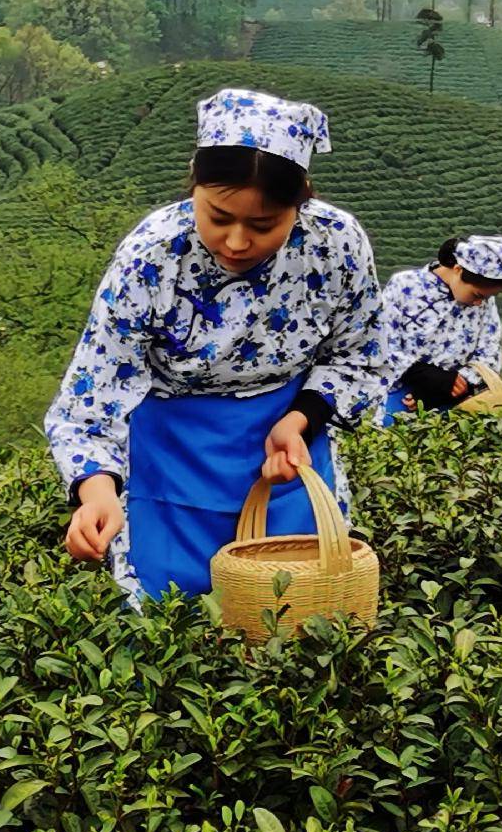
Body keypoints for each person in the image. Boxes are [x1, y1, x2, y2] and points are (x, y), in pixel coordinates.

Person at [47, 86, 386, 603]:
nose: (236, 243)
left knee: (298, 607)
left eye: (264, 224)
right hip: (173, 449)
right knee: (172, 616)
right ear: (194, 190)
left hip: (287, 437)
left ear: (301, 203)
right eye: (218, 217)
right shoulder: (153, 257)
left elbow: (358, 355)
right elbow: (94, 394)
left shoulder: (334, 244)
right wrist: (97, 491)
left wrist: (301, 420)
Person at [376, 235, 502, 421]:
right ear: (458, 269)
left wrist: (460, 383)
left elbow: (489, 352)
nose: (479, 303)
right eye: (476, 295)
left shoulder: (485, 304)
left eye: (485, 298)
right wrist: (424, 377)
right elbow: (382, 341)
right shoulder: (405, 286)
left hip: (457, 398)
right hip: (403, 393)